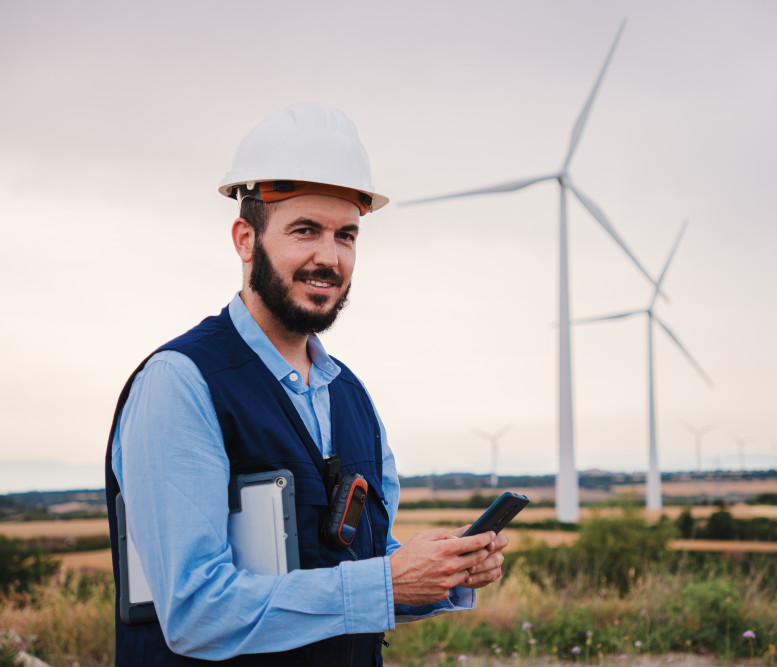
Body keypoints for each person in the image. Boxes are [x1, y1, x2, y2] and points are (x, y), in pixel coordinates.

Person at [105, 102, 510, 666]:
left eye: (347, 235)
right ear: (245, 239)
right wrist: (386, 584)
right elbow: (195, 610)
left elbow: (352, 569)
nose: (329, 257)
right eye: (305, 231)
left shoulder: (352, 398)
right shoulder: (180, 385)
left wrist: (441, 572)